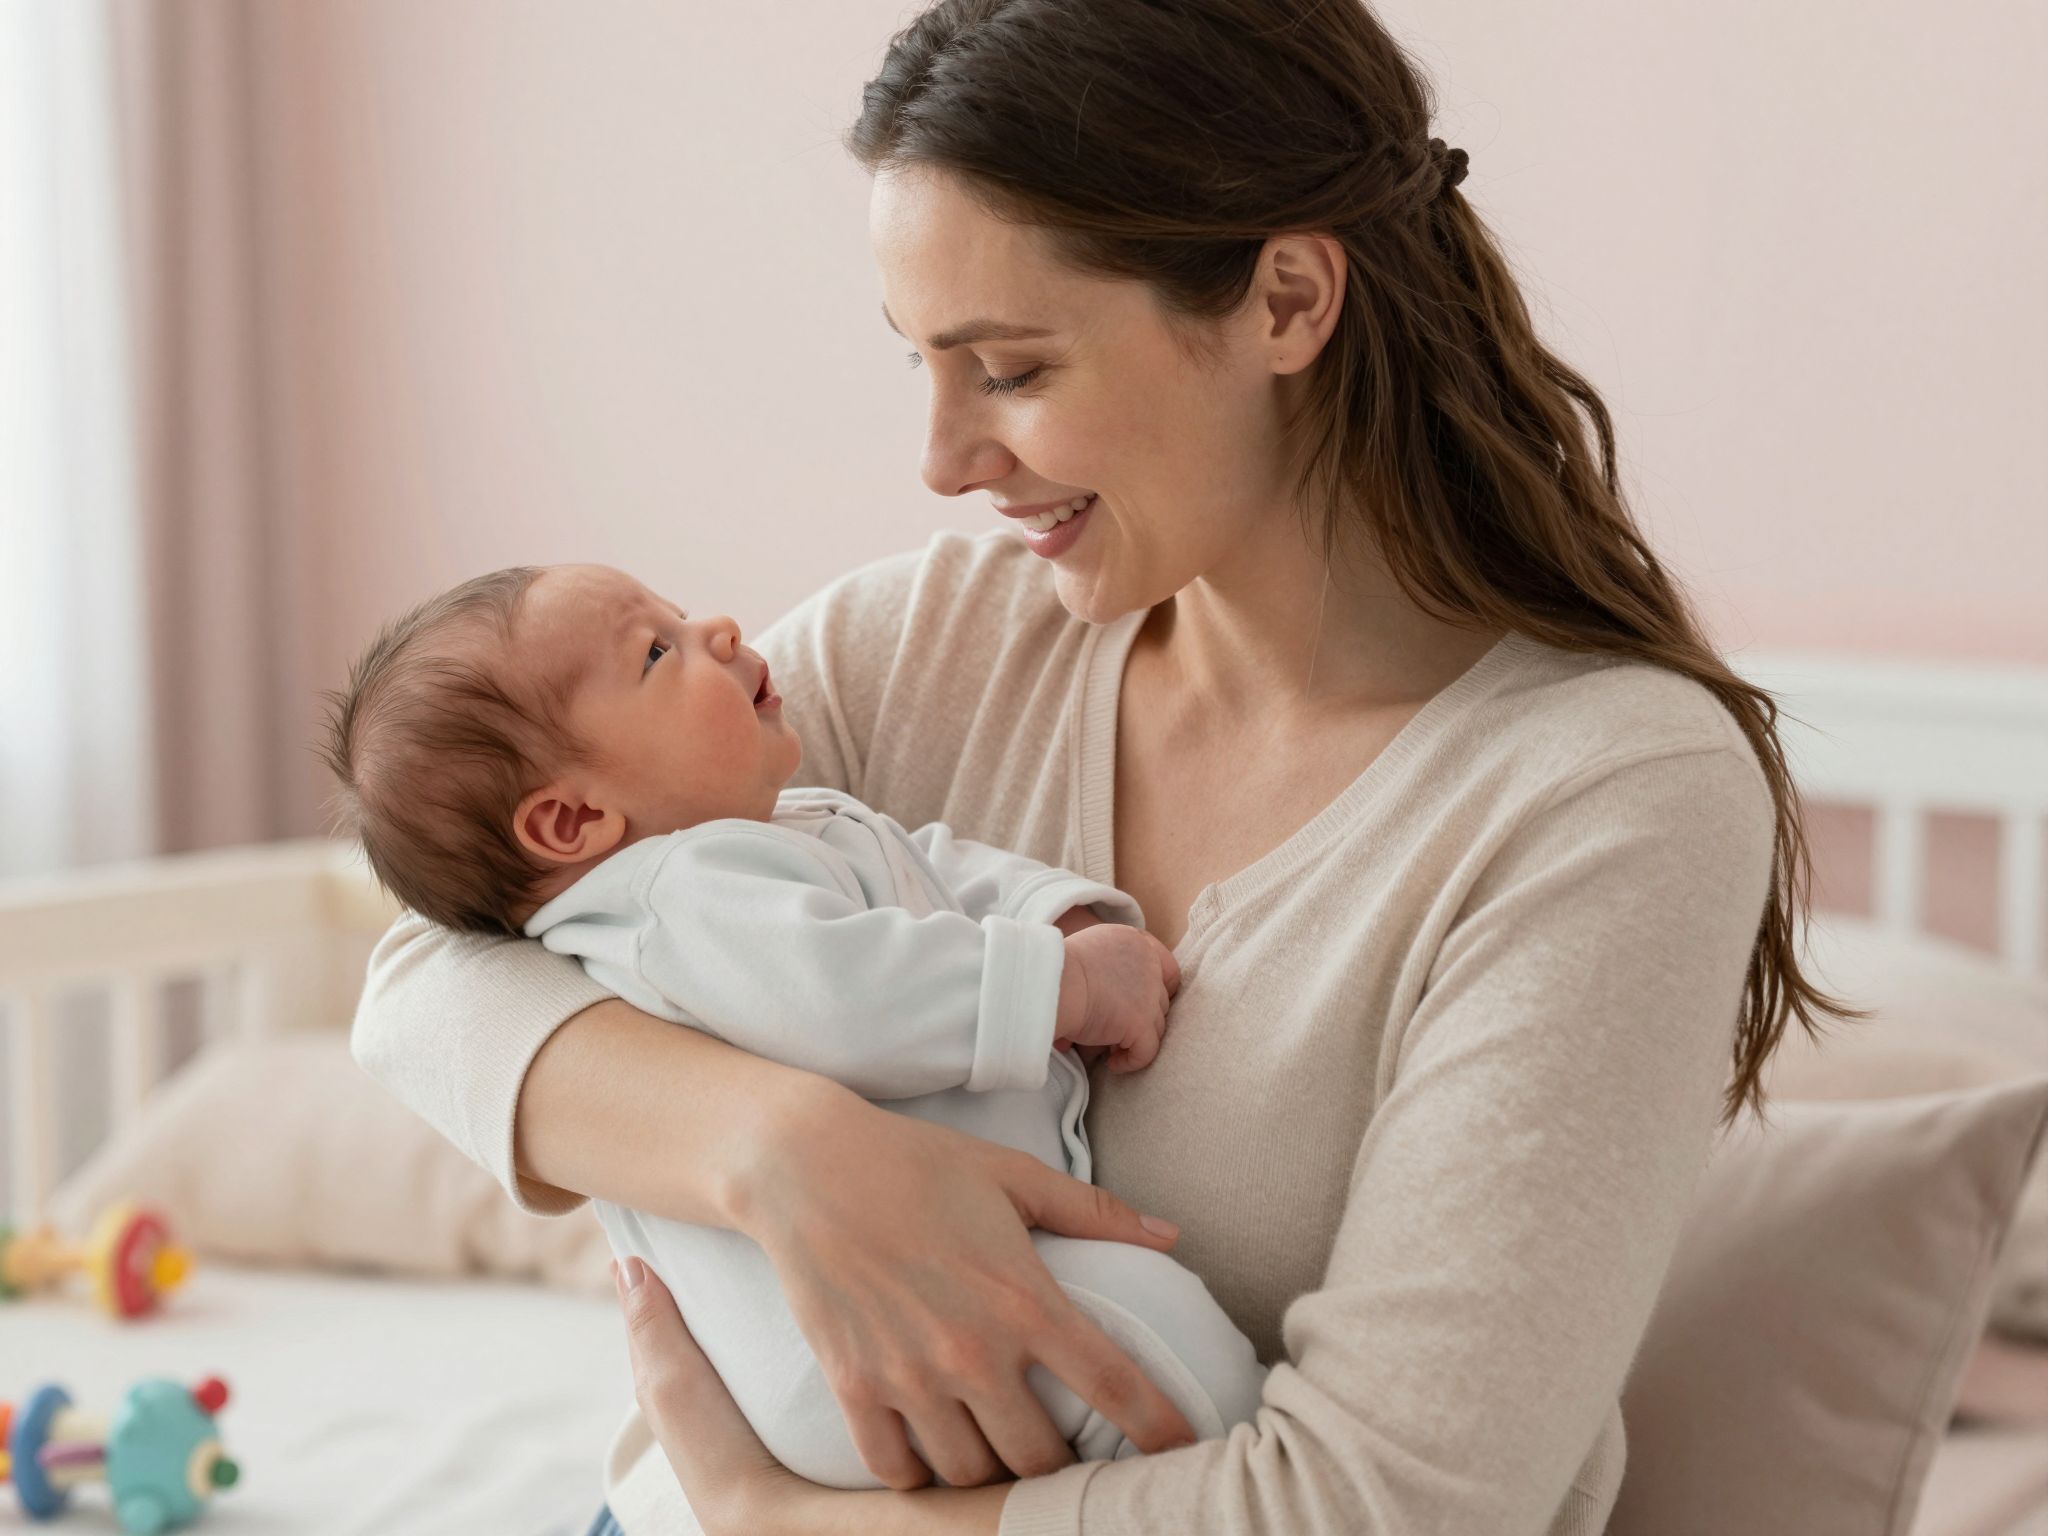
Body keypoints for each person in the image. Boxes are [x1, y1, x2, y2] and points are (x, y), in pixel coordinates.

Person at [349, 1, 1847, 1532]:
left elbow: (1397, 1504)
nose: (942, 459)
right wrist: (779, 1150)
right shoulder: (925, 641)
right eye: (924, 365)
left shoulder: (1603, 798)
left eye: (1007, 367)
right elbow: (431, 977)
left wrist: (789, 1525)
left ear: (1284, 301)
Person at [318, 561, 1266, 1487]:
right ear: (572, 823)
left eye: (679, 615)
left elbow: (926, 873)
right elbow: (850, 998)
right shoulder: (674, 901)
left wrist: (1051, 909)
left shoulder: (775, 831)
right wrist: (1068, 987)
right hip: (835, 1348)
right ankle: (1245, 1463)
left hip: (891, 1331)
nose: (720, 632)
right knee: (1161, 1336)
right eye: (657, 652)